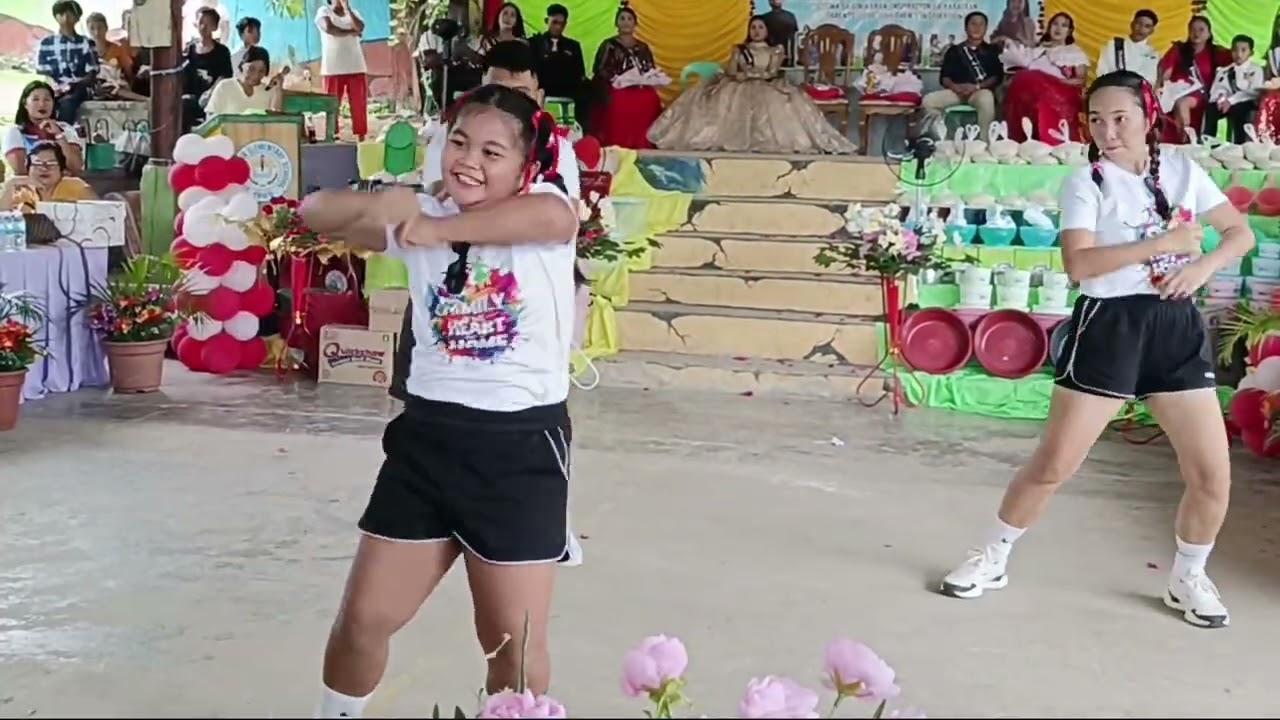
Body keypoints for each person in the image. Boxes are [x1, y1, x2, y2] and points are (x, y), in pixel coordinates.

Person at [301, 82, 579, 719]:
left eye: (492, 152)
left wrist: (434, 225)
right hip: (425, 443)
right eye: (459, 142)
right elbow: (316, 212)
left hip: (518, 451)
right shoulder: (421, 213)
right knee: (362, 622)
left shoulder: (545, 210)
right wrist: (385, 203)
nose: (469, 161)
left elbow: (552, 219)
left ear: (526, 165)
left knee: (512, 647)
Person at [939, 69, 1252, 629]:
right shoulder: (1087, 182)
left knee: (1212, 475)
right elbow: (1079, 265)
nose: (1107, 131)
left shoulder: (1182, 168)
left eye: (1120, 118)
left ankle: (1188, 576)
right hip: (1109, 326)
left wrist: (1202, 267)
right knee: (1054, 464)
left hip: (1175, 327)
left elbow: (1239, 233)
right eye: (1097, 120)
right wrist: (1161, 244)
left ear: (1149, 117)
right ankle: (993, 555)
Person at [647, 16, 856, 154]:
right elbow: (731, 71)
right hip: (738, 85)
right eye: (753, 27)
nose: (756, 31)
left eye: (760, 27)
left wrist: (752, 74)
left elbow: (771, 72)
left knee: (781, 104)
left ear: (767, 31)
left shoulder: (775, 50)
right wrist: (740, 75)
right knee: (718, 101)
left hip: (765, 86)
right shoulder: (739, 49)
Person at [1003, 12, 1088, 144]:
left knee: (1032, 82)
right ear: (1049, 27)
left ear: (1069, 31)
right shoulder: (1038, 50)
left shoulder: (1075, 52)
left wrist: (1053, 82)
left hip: (1062, 92)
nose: (1058, 28)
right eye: (1055, 24)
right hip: (1031, 94)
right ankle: (1020, 141)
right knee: (1021, 79)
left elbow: (1081, 81)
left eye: (1064, 25)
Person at [921, 11, 1003, 142]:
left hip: (979, 92)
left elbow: (997, 76)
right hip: (956, 92)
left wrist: (977, 87)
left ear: (986, 28)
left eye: (981, 24)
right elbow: (944, 77)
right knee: (928, 101)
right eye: (973, 24)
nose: (977, 28)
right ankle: (942, 140)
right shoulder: (954, 50)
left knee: (987, 98)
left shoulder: (992, 51)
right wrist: (954, 87)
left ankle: (985, 144)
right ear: (966, 27)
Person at [590, 5, 662, 149]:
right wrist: (617, 79)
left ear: (635, 24)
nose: (626, 22)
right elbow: (600, 69)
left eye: (629, 19)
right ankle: (618, 142)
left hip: (639, 86)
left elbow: (649, 68)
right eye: (622, 19)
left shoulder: (643, 47)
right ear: (616, 23)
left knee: (651, 97)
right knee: (619, 99)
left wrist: (646, 78)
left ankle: (644, 142)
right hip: (617, 87)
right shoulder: (609, 45)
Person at [1158, 16, 1232, 143]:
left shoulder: (1215, 52)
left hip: (1201, 94)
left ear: (1209, 34)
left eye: (1201, 30)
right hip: (1176, 91)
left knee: (1182, 103)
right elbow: (1166, 73)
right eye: (1193, 29)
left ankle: (1187, 139)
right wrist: (1159, 88)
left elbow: (1238, 60)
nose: (1196, 33)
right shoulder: (1179, 49)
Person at [35, 0, 98, 124]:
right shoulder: (47, 43)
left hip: (79, 89)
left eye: (70, 14)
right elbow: (46, 74)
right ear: (55, 17)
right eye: (61, 14)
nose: (66, 18)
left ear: (77, 17)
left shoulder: (86, 43)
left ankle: (62, 131)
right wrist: (55, 87)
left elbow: (92, 74)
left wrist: (72, 85)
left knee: (68, 103)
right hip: (55, 88)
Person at [2, 81, 84, 176]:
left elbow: (76, 168)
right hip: (29, 184)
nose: (42, 104)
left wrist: (59, 136)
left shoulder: (66, 129)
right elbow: (21, 171)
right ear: (25, 104)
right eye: (35, 99)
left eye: (47, 100)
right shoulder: (15, 132)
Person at [316, 0, 369, 140]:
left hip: (355, 65)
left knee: (359, 105)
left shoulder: (354, 13)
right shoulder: (324, 12)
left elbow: (360, 27)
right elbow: (329, 29)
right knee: (332, 105)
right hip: (333, 68)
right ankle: (332, 134)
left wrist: (348, 9)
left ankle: (361, 136)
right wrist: (351, 31)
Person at [0, 141, 96, 210]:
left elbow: (99, 212)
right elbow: (3, 218)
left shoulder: (76, 186)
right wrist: (11, 184)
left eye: (51, 164)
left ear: (62, 170)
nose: (44, 168)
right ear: (29, 169)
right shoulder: (22, 191)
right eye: (37, 163)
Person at [182, 7, 234, 133]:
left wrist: (210, 92)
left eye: (208, 23)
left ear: (214, 27)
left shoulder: (222, 52)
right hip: (190, 101)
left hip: (212, 100)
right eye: (201, 22)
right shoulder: (189, 49)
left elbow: (225, 76)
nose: (203, 27)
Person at [530, 3, 586, 116]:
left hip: (567, 91)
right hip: (541, 90)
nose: (558, 27)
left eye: (562, 24)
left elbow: (580, 73)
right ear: (547, 21)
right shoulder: (534, 43)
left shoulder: (573, 46)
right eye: (555, 22)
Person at [1205, 35, 1262, 144]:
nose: (1239, 54)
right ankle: (1209, 142)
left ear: (1251, 53)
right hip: (1226, 102)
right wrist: (1221, 99)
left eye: (1243, 50)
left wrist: (1231, 101)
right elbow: (1217, 89)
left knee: (1238, 109)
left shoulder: (1255, 69)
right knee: (1211, 109)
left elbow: (1254, 92)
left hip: (1246, 102)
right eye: (1235, 50)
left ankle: (1239, 144)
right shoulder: (1225, 70)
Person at [206, 47, 284, 115]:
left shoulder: (268, 92)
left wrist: (278, 89)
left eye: (261, 71)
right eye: (251, 69)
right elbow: (210, 116)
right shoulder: (225, 87)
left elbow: (277, 121)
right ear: (242, 65)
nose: (256, 75)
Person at [1095, 9, 1160, 86]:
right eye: (1139, 23)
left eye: (1147, 26)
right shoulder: (1114, 44)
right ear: (1132, 24)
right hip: (1110, 87)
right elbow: (1102, 70)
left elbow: (1149, 79)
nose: (1141, 29)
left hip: (1136, 91)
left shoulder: (1152, 54)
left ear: (1152, 31)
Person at [85, 11, 134, 91]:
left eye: (100, 27)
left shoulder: (117, 48)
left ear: (106, 28)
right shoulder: (86, 51)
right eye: (92, 28)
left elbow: (129, 73)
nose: (96, 32)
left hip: (117, 87)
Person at [760, 0, 798, 66]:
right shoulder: (764, 18)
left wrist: (792, 60)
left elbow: (793, 40)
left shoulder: (790, 17)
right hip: (769, 59)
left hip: (782, 59)